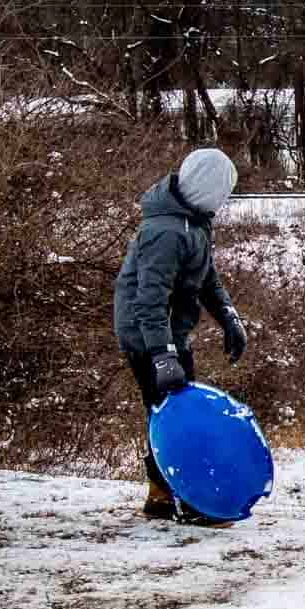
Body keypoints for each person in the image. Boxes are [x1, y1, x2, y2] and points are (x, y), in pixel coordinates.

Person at [112, 147, 249, 522]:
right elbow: (149, 299)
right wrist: (162, 354)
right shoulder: (166, 231)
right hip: (147, 334)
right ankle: (187, 498)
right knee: (175, 415)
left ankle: (161, 494)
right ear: (208, 188)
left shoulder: (193, 222)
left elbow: (207, 278)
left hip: (168, 332)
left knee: (170, 410)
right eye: (224, 190)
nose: (225, 199)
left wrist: (229, 318)